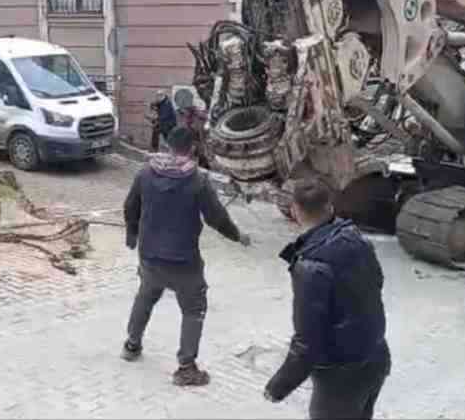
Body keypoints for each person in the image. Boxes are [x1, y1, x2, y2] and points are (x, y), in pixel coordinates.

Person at [121, 126, 252, 387]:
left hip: (150, 257)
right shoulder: (196, 180)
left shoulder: (146, 172)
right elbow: (216, 218)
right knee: (193, 310)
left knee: (146, 297)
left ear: (168, 145)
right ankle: (186, 368)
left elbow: (129, 207)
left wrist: (132, 237)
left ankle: (131, 346)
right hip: (184, 261)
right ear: (192, 148)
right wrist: (238, 236)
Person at [264, 179, 390, 420]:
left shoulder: (310, 266)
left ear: (295, 211)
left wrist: (278, 387)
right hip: (376, 357)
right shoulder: (356, 239)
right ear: (330, 207)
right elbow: (377, 283)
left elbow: (307, 341)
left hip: (341, 376)